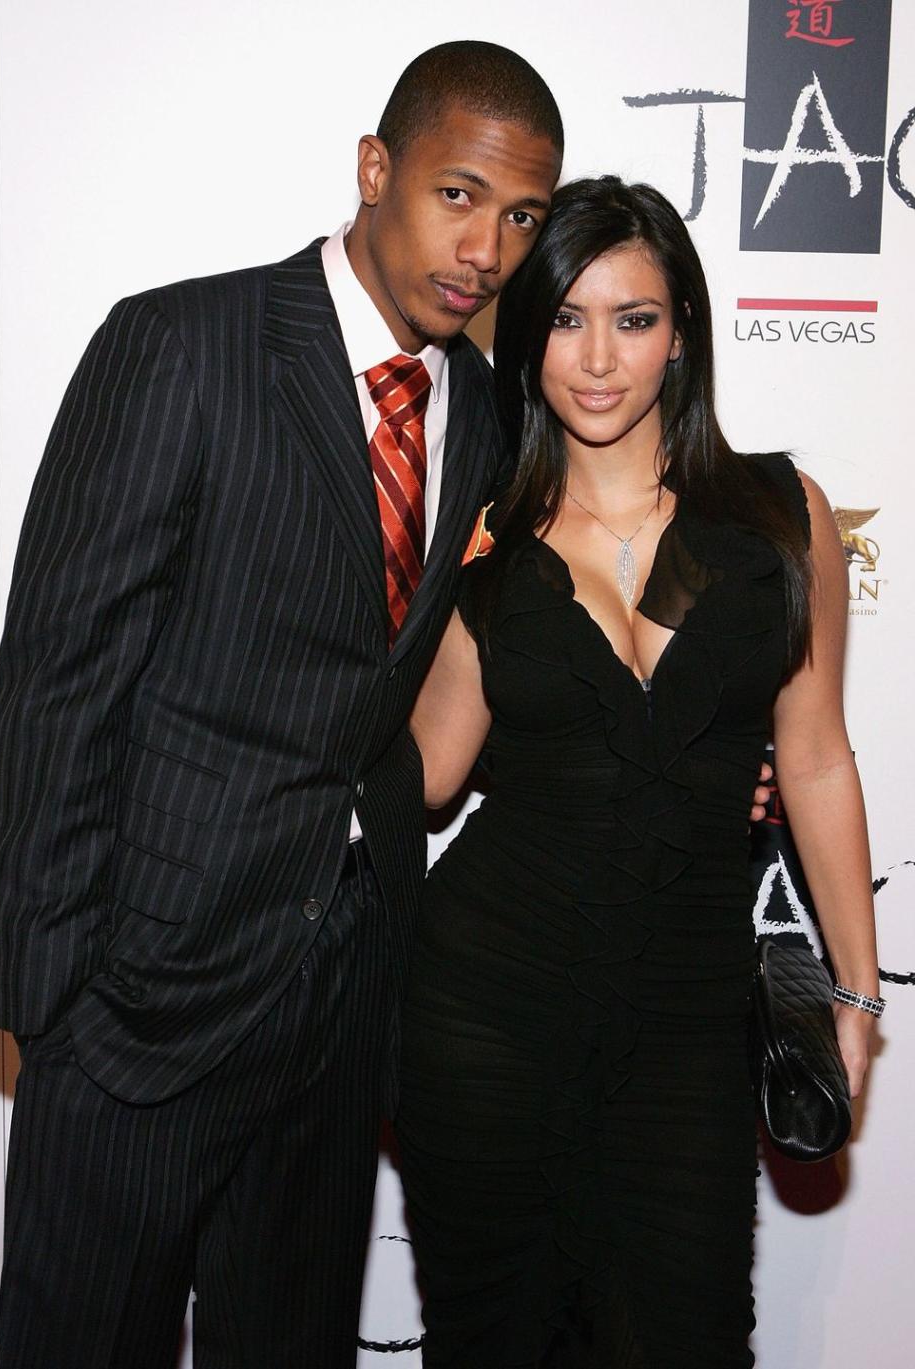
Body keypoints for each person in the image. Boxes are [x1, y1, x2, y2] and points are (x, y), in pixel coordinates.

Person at [0, 42, 565, 1369]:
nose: (485, 246)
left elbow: (425, 679)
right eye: (459, 194)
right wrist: (54, 999)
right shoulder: (184, 346)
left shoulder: (479, 408)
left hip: (340, 1012)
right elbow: (57, 679)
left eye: (520, 215)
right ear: (378, 170)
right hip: (137, 1006)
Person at [398, 176, 880, 1368]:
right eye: (566, 319)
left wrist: (857, 999)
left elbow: (814, 757)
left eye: (636, 317)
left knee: (688, 1329)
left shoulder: (777, 514)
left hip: (686, 1029)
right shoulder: (492, 538)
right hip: (486, 1014)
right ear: (527, 335)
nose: (599, 359)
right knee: (498, 1337)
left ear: (683, 332)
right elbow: (426, 778)